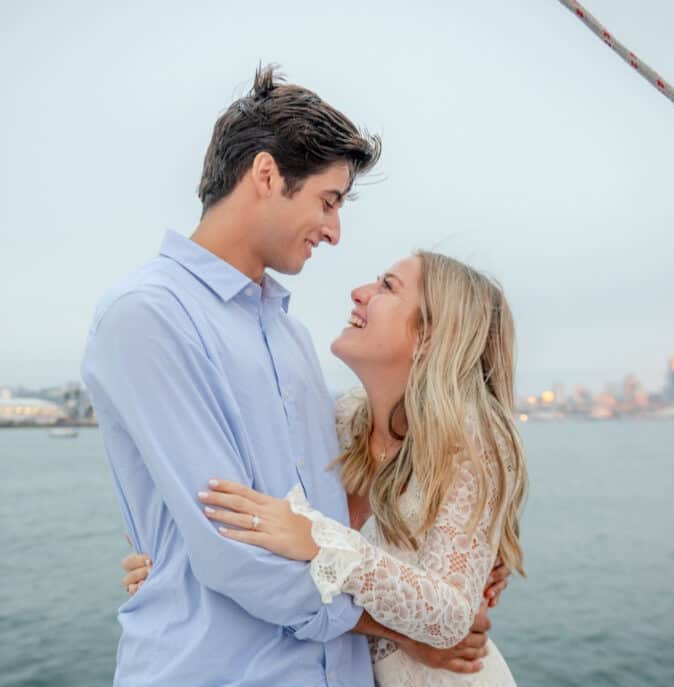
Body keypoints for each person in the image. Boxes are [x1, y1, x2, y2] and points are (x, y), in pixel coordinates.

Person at [82, 65, 502, 687]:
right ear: (266, 174)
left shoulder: (293, 337)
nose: (334, 231)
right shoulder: (149, 316)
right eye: (328, 202)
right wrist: (401, 627)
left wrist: (465, 569)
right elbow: (237, 554)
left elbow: (344, 499)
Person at [125, 253, 527, 686]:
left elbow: (449, 619)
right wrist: (172, 566)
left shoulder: (471, 437)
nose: (359, 293)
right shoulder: (341, 420)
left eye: (387, 287)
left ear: (429, 334)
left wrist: (319, 540)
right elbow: (256, 532)